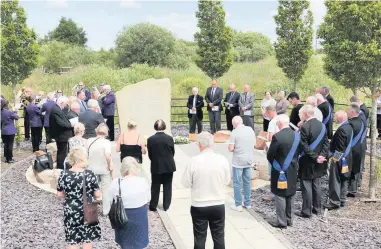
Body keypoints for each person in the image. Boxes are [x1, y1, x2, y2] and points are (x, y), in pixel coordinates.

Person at [182, 132, 230, 249]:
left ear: (199, 145)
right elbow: (227, 181)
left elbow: (185, 183)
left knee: (199, 238)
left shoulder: (193, 161)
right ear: (212, 144)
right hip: (218, 203)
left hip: (199, 204)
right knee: (219, 237)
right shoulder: (222, 160)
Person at [57, 147, 101, 248]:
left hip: (71, 209)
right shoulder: (89, 174)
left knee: (72, 238)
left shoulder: (64, 174)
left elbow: (59, 194)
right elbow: (97, 194)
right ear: (82, 159)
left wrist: (68, 193)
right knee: (87, 237)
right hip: (88, 209)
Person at [267, 114, 301, 228]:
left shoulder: (277, 136)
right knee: (290, 194)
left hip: (279, 170)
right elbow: (299, 152)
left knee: (280, 195)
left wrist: (276, 165)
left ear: (280, 123)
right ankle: (289, 219)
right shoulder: (297, 135)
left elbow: (270, 155)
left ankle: (281, 222)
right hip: (292, 169)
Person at [109, 157, 150, 249]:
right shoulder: (143, 181)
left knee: (125, 242)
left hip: (122, 215)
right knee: (139, 241)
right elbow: (148, 198)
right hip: (140, 214)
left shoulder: (116, 183)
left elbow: (111, 200)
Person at [295, 105, 329, 218]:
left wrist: (315, 157)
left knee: (306, 185)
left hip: (307, 161)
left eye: (300, 114)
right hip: (320, 161)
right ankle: (317, 208)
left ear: (305, 114)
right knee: (316, 184)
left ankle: (306, 211)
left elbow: (303, 146)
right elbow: (326, 143)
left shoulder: (305, 127)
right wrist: (321, 156)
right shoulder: (322, 125)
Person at [324, 110, 353, 210]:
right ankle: (342, 199)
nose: (334, 119)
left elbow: (339, 148)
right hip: (348, 157)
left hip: (340, 158)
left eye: (335, 117)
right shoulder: (349, 126)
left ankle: (334, 201)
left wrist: (334, 160)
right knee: (344, 178)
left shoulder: (341, 130)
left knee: (335, 179)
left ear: (340, 118)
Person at [147, 120, 176, 211]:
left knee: (155, 186)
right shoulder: (169, 138)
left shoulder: (150, 139)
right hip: (168, 165)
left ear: (155, 127)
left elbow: (150, 154)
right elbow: (172, 152)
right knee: (168, 185)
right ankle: (166, 205)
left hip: (156, 165)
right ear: (164, 126)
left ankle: (153, 205)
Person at [228, 116, 255, 211]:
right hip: (248, 159)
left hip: (238, 161)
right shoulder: (250, 129)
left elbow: (231, 148)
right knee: (247, 181)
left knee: (237, 182)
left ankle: (238, 204)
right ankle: (247, 203)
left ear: (234, 124)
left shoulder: (234, 132)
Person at [87, 123, 113, 216]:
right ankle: (106, 210)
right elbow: (108, 156)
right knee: (105, 190)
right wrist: (110, 165)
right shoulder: (106, 142)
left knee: (92, 189)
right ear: (106, 133)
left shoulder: (89, 141)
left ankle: (90, 209)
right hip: (104, 168)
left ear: (96, 131)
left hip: (91, 168)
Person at [347, 103, 366, 197]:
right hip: (360, 148)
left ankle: (351, 190)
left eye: (348, 111)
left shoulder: (351, 123)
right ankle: (353, 188)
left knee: (351, 170)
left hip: (352, 150)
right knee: (356, 169)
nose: (347, 112)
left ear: (352, 112)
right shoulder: (362, 120)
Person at [50, 96, 73, 170]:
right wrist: (71, 125)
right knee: (62, 153)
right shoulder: (56, 110)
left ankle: (61, 167)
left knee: (61, 152)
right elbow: (61, 123)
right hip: (61, 135)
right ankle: (61, 168)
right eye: (65, 104)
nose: (66, 105)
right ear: (61, 102)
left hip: (62, 135)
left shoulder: (57, 109)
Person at [262, 105, 279, 201]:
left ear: (269, 112)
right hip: (280, 148)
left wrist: (266, 141)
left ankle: (273, 194)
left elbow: (271, 137)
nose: (265, 115)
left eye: (266, 113)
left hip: (272, 148)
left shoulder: (272, 122)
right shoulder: (281, 119)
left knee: (272, 172)